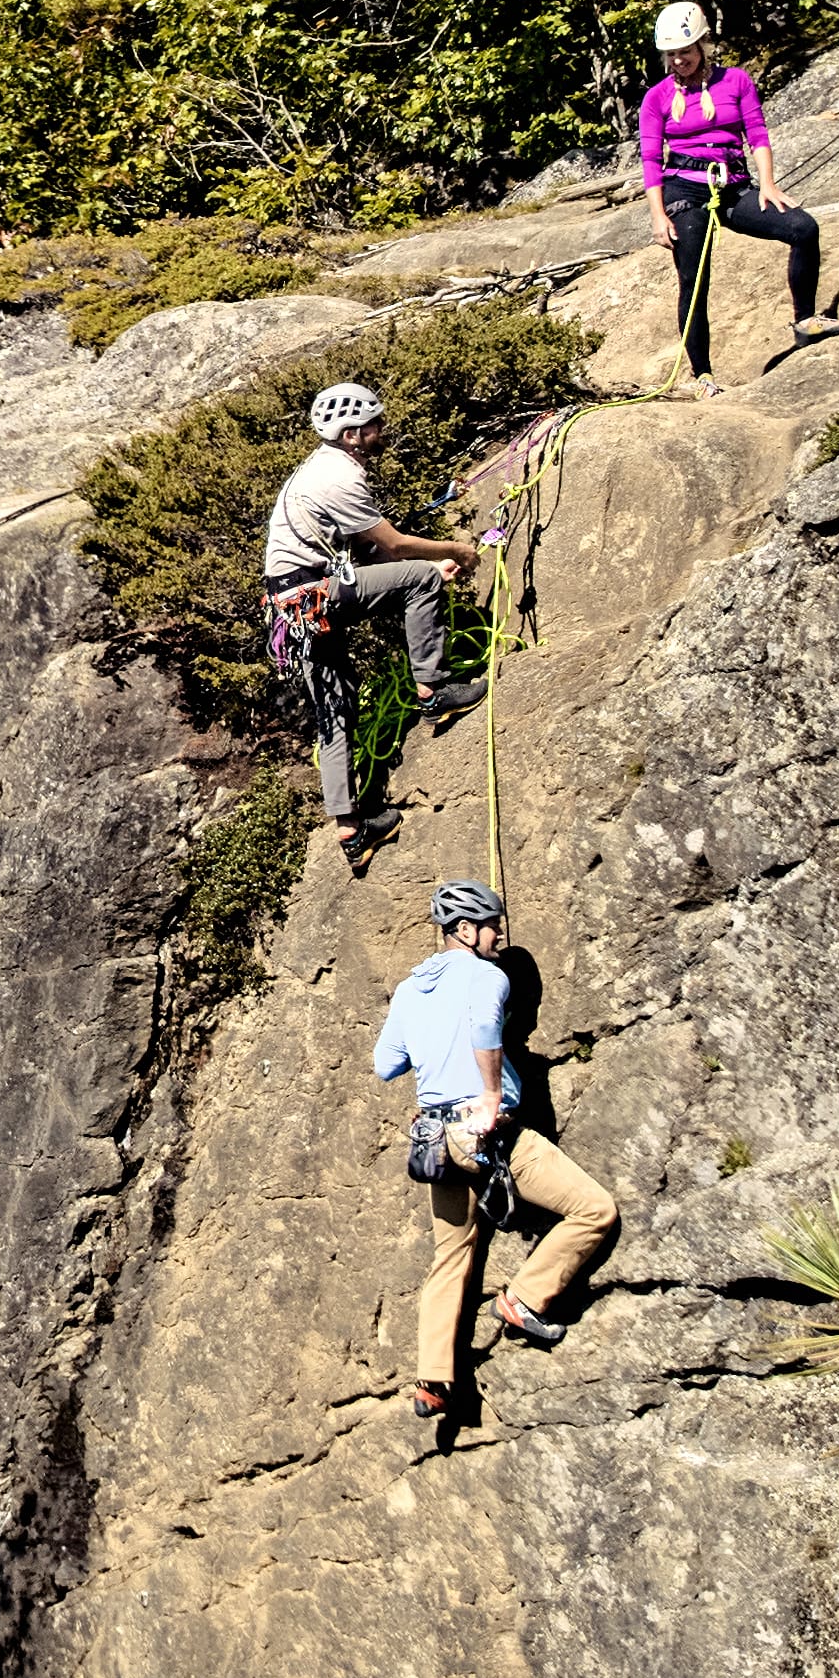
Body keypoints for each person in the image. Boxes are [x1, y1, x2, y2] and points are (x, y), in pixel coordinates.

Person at [371, 878, 621, 1420]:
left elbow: (386, 1063)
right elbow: (485, 1023)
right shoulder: (487, 976)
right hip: (484, 1132)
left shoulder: (411, 989)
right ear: (465, 929)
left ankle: (433, 1378)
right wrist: (487, 1092)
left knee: (451, 1255)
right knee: (594, 1210)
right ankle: (526, 1297)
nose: (498, 934)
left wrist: (434, 1049)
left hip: (435, 1138)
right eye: (491, 925)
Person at [263, 381, 485, 858]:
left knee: (336, 707)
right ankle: (435, 690)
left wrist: (419, 569)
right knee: (420, 579)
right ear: (351, 435)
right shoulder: (338, 476)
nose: (382, 430)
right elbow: (394, 546)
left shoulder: (319, 470)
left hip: (294, 605)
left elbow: (363, 549)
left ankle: (352, 828)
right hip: (315, 592)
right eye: (374, 425)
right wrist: (452, 553)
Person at [638, 2, 834, 393]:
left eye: (686, 51)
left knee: (802, 228)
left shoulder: (736, 82)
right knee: (694, 282)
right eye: (672, 54)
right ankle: (704, 375)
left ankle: (805, 321)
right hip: (685, 190)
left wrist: (769, 184)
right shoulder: (656, 98)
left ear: (702, 45)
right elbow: (649, 159)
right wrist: (658, 216)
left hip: (733, 185)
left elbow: (757, 134)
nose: (680, 60)